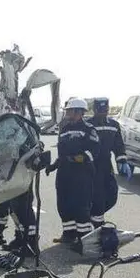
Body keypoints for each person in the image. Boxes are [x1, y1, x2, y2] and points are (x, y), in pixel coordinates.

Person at [46, 98, 99, 243]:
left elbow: (95, 150)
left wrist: (81, 158)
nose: (68, 113)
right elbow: (62, 153)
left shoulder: (89, 129)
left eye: (70, 111)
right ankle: (69, 235)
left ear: (79, 112)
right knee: (64, 205)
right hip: (64, 174)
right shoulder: (64, 130)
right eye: (67, 111)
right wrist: (53, 166)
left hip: (81, 175)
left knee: (81, 207)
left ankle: (84, 239)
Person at [88, 97, 132, 228]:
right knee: (98, 197)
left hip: (106, 165)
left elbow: (119, 145)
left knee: (112, 194)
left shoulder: (113, 125)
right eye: (99, 110)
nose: (102, 112)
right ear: (94, 110)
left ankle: (93, 216)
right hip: (91, 166)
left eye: (105, 109)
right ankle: (96, 224)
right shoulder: (88, 125)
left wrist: (122, 160)